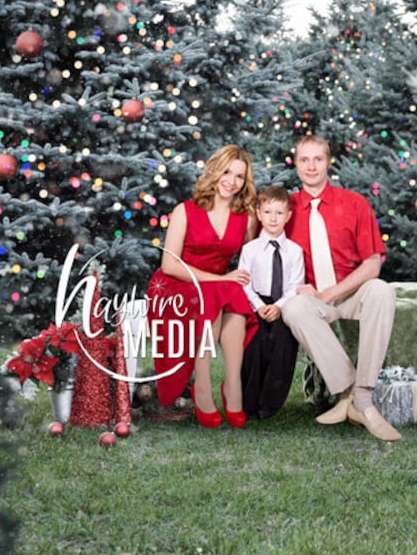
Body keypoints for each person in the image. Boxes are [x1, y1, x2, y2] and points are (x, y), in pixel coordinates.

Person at [282, 135, 401, 441]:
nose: (311, 166)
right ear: (295, 164)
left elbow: (373, 264)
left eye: (317, 159)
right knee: (294, 308)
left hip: (348, 293)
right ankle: (348, 393)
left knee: (381, 290)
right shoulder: (286, 209)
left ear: (328, 161)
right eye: (304, 160)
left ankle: (362, 395)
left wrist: (331, 293)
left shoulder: (354, 203)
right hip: (313, 299)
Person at [146, 145, 259, 428]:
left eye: (239, 177)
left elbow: (251, 259)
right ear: (214, 171)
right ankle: (203, 387)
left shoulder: (245, 216)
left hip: (217, 287)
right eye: (227, 172)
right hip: (176, 284)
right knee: (218, 293)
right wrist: (222, 280)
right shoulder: (185, 210)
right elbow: (170, 265)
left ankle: (233, 387)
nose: (232, 181)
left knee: (232, 297)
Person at [238, 185, 305, 419]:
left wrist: (279, 306)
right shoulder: (250, 249)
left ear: (288, 216)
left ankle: (270, 403)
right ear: (258, 213)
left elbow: (295, 285)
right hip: (255, 302)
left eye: (279, 213)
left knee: (282, 342)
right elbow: (243, 282)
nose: (273, 218)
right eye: (267, 212)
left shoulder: (295, 252)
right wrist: (259, 306)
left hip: (283, 303)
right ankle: (249, 402)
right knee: (255, 345)